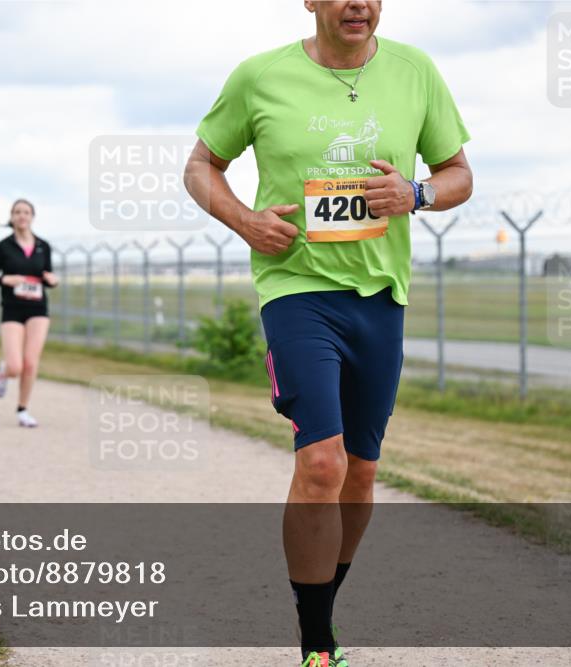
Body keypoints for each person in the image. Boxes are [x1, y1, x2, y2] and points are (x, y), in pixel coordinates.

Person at [183, 2, 473, 665]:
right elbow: (201, 165)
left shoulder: (415, 71)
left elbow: (458, 174)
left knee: (361, 472)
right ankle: (317, 643)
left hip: (380, 296)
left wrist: (418, 194)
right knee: (322, 463)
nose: (357, 3)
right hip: (296, 290)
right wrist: (245, 220)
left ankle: (320, 602)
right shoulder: (260, 76)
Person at [0, 199, 59, 428]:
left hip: (38, 308)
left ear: (32, 217)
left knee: (31, 363)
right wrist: (6, 279)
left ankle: (23, 409)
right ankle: (4, 372)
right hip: (12, 308)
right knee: (16, 366)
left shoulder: (43, 246)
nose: (22, 215)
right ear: (12, 217)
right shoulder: (3, 246)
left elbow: (47, 275)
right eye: (17, 212)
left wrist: (52, 280)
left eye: (26, 212)